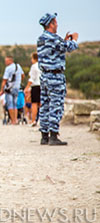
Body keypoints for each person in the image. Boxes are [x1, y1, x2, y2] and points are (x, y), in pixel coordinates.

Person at [37, 13, 78, 145]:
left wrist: (64, 40)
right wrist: (74, 40)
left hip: (44, 76)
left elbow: (57, 48)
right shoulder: (53, 38)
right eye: (55, 22)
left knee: (45, 105)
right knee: (56, 105)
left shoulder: (41, 38)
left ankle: (44, 136)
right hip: (55, 76)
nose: (57, 24)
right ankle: (53, 136)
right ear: (51, 24)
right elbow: (67, 47)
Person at [0, 56, 25, 124]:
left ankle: (13, 120)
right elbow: (23, 75)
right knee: (15, 104)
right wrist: (18, 82)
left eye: (6, 61)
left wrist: (1, 90)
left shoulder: (8, 68)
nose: (5, 62)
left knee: (10, 104)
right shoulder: (18, 66)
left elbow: (4, 80)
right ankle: (16, 120)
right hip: (17, 88)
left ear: (10, 61)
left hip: (9, 89)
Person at [25, 52, 41, 126]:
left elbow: (32, 78)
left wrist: (27, 87)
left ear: (34, 58)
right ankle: (42, 120)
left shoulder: (34, 66)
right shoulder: (42, 65)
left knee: (34, 104)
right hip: (42, 85)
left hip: (35, 86)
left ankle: (33, 120)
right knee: (41, 103)